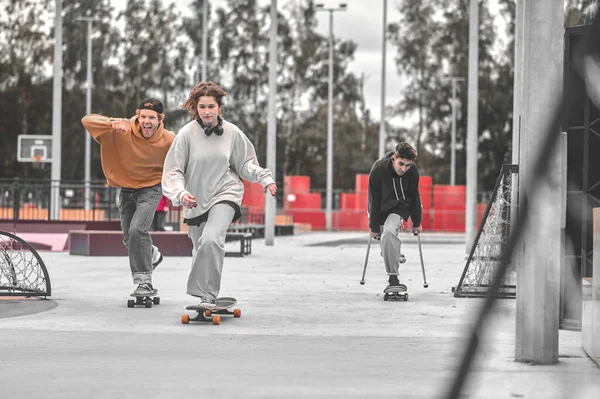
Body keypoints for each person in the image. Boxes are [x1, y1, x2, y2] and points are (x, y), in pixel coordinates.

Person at [162, 81, 277, 309]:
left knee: (212, 240)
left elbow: (245, 163)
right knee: (200, 248)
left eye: (211, 106)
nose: (206, 111)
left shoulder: (232, 133)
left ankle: (208, 295)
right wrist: (181, 193)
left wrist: (265, 178)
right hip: (194, 198)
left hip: (226, 192)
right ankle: (204, 290)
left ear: (219, 108)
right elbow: (173, 169)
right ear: (196, 108)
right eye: (202, 106)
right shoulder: (186, 134)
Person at [81, 98, 176, 297]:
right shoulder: (122, 128)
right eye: (143, 117)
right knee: (129, 238)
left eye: (151, 117)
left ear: (160, 119)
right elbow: (87, 120)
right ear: (138, 116)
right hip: (126, 190)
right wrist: (109, 123)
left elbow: (186, 158)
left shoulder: (169, 139)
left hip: (151, 189)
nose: (146, 122)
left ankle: (144, 283)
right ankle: (153, 255)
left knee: (137, 230)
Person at [368, 142, 423, 289]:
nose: (404, 169)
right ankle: (393, 253)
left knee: (388, 233)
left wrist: (417, 221)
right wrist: (373, 227)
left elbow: (414, 195)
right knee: (383, 238)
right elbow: (373, 200)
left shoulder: (412, 172)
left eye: (408, 165)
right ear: (393, 158)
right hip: (379, 207)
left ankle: (393, 279)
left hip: (399, 206)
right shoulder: (377, 170)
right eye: (401, 164)